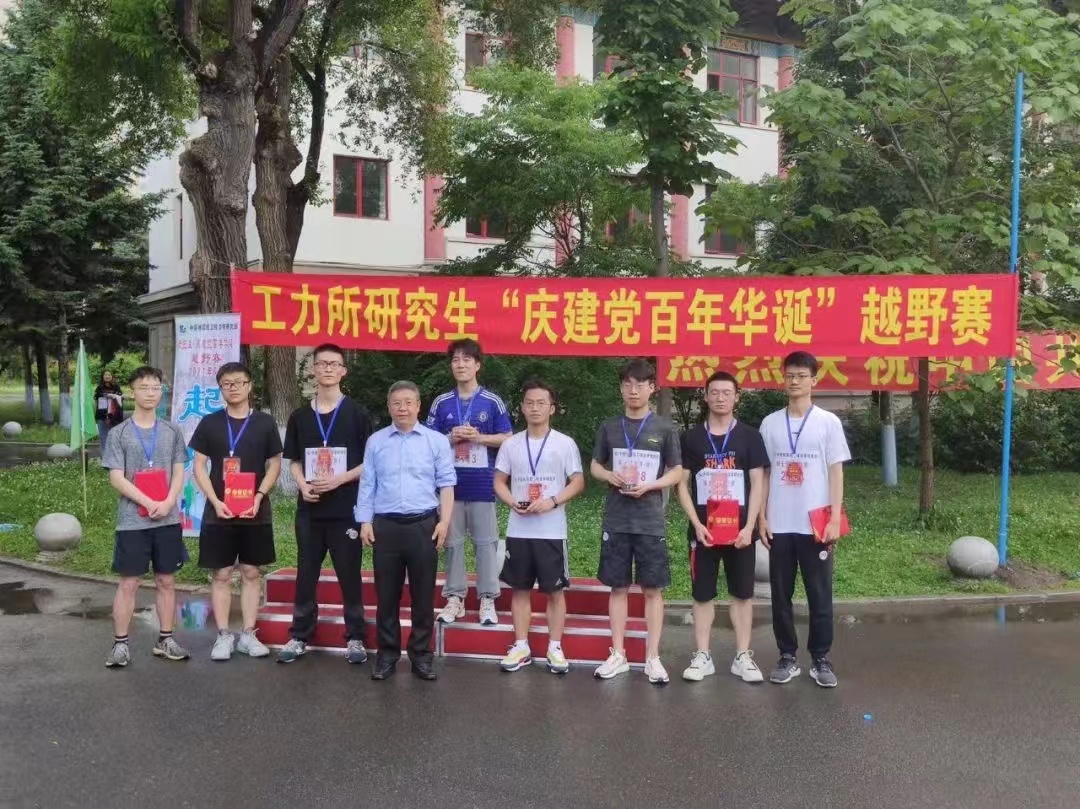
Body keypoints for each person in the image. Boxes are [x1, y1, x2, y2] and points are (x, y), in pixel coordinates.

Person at [758, 351, 851, 688]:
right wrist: (761, 517)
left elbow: (836, 472)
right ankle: (787, 656)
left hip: (816, 523)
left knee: (819, 594)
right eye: (789, 375)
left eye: (801, 375)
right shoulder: (770, 423)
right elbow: (764, 474)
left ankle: (820, 658)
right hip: (780, 523)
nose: (794, 381)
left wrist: (834, 518)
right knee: (780, 595)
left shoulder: (828, 422)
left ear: (814, 379)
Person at [277, 344, 373, 665]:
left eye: (334, 364)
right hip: (310, 509)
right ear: (314, 369)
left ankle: (355, 637)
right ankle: (299, 635)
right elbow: (293, 460)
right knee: (306, 573)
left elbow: (370, 463)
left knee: (349, 574)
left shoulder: (358, 414)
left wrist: (339, 480)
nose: (328, 369)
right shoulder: (300, 416)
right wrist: (302, 484)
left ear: (343, 370)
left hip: (346, 509)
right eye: (322, 364)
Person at [589, 358, 682, 684]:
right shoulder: (609, 426)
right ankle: (618, 654)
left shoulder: (665, 428)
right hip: (617, 518)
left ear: (652, 388)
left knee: (652, 589)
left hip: (649, 520)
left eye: (640, 384)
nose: (633, 390)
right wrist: (609, 476)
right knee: (618, 588)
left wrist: (653, 485)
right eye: (627, 384)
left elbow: (677, 471)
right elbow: (595, 466)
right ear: (621, 388)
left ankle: (652, 657)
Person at [356, 381, 456, 681]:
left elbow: (446, 484)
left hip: (423, 525)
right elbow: (368, 483)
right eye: (396, 403)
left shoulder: (436, 441)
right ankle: (387, 655)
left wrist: (444, 522)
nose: (403, 408)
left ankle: (421, 656)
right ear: (389, 406)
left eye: (408, 402)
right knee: (386, 596)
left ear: (418, 406)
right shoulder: (376, 441)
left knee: (423, 596)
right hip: (385, 526)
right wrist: (365, 521)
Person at [675, 371, 768, 684]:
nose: (720, 398)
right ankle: (703, 655)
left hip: (741, 532)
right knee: (702, 595)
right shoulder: (691, 438)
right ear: (705, 396)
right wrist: (696, 523)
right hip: (704, 533)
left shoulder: (750, 436)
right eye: (714, 392)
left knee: (742, 594)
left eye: (727, 392)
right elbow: (681, 485)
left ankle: (743, 656)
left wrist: (750, 526)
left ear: (736, 397)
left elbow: (758, 483)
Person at [189, 362, 283, 661]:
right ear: (220, 389)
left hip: (255, 509)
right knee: (222, 573)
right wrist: (214, 500)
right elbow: (199, 465)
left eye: (239, 382)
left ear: (249, 385)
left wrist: (259, 496)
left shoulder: (265, 423)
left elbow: (275, 465)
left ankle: (248, 634)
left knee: (252, 572)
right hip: (220, 510)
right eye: (227, 384)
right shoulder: (210, 423)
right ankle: (223, 635)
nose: (233, 388)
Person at [493, 379, 585, 674]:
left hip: (551, 531)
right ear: (522, 408)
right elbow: (499, 481)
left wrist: (553, 501)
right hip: (519, 530)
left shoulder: (564, 443)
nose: (535, 408)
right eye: (529, 403)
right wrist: (511, 501)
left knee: (555, 591)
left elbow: (578, 482)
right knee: (519, 589)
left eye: (541, 403)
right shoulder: (510, 444)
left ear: (552, 408)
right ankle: (521, 645)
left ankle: (555, 647)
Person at [102, 366, 190, 668]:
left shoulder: (172, 431)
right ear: (132, 391)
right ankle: (120, 645)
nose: (151, 393)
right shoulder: (119, 433)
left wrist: (168, 502)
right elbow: (116, 477)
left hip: (167, 519)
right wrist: (148, 501)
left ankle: (166, 639)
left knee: (166, 580)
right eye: (144, 387)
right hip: (132, 521)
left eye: (155, 388)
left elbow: (179, 471)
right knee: (129, 582)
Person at [426, 339, 512, 627]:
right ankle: (455, 597)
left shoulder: (492, 401)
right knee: (451, 543)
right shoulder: (441, 402)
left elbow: (507, 438)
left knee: (486, 544)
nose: (460, 364)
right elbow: (428, 441)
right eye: (455, 360)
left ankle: (487, 598)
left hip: (482, 485)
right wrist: (450, 438)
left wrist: (479, 438)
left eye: (466, 359)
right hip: (449, 488)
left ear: (477, 365)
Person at [94, 370, 124, 452]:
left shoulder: (116, 387)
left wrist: (115, 397)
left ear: (112, 377)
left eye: (109, 375)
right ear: (102, 377)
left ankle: (114, 455)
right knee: (103, 436)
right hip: (102, 415)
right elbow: (96, 399)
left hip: (114, 416)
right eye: (105, 375)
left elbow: (121, 398)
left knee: (114, 436)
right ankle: (104, 456)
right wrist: (107, 395)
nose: (107, 376)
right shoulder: (99, 388)